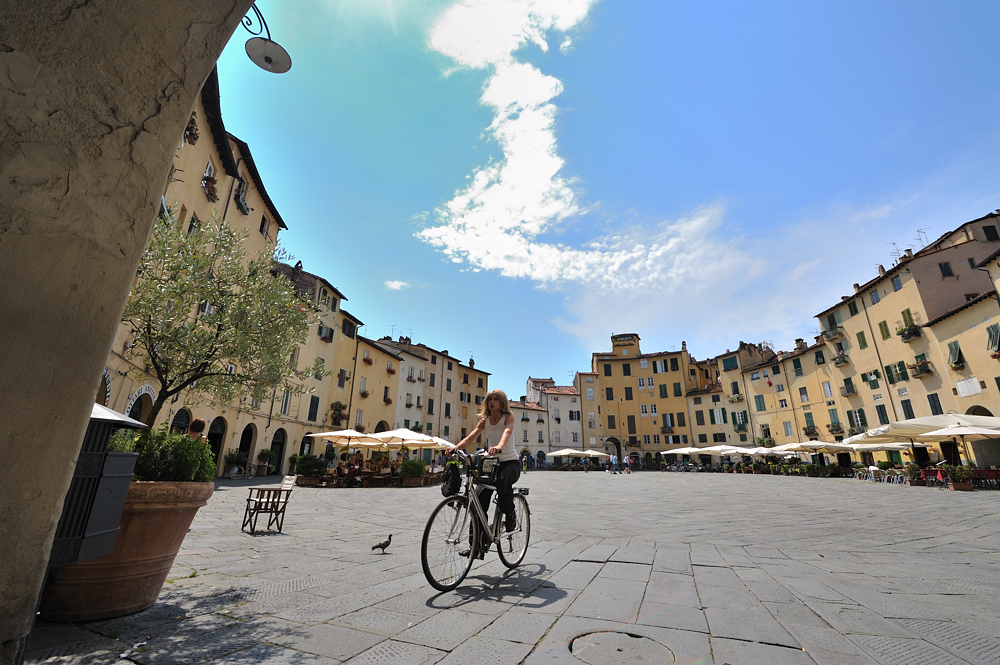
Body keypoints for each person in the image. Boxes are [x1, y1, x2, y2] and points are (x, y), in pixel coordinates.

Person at [447, 389, 519, 559]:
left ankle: (510, 515)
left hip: (510, 464)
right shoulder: (485, 420)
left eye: (495, 399)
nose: (492, 401)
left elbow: (506, 432)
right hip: (492, 464)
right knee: (478, 503)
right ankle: (475, 547)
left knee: (503, 482)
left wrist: (499, 446)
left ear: (502, 402)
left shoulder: (508, 417)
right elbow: (471, 437)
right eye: (490, 399)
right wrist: (455, 448)